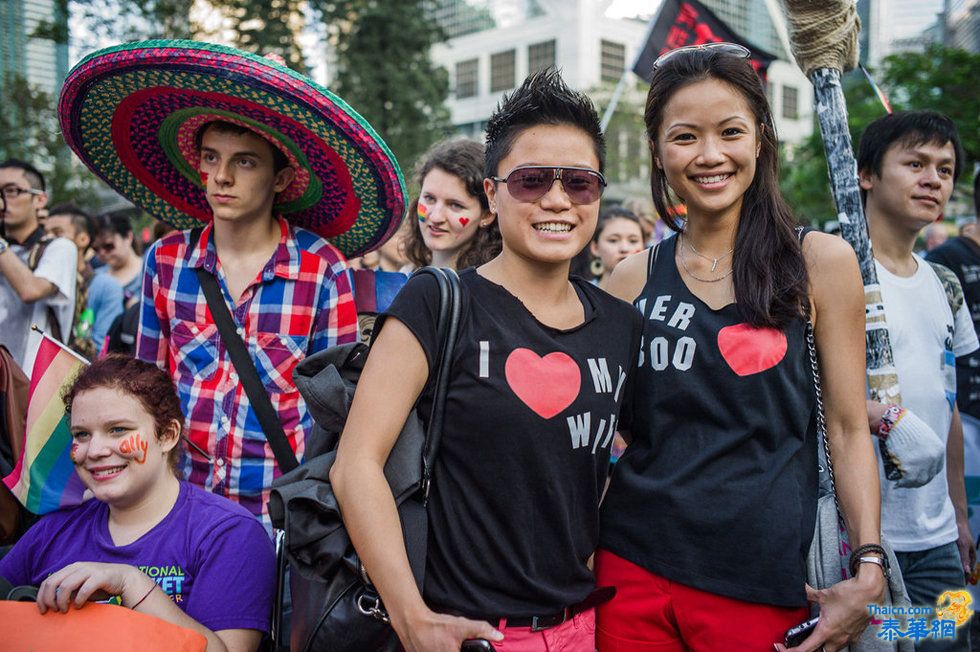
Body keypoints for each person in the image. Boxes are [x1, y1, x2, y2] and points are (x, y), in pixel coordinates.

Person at [331, 68, 642, 652]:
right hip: (465, 634)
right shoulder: (438, 299)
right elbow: (356, 466)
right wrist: (411, 617)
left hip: (583, 628)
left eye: (579, 181)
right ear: (493, 197)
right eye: (530, 181)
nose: (557, 199)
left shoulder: (621, 324)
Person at [596, 43, 885, 651]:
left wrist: (870, 565)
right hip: (629, 570)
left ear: (760, 138)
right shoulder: (628, 278)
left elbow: (848, 427)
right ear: (657, 149)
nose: (709, 155)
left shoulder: (820, 264)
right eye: (684, 137)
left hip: (763, 580)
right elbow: (601, 431)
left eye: (729, 131)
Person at [57, 42, 408, 530]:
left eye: (245, 162)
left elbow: (338, 412)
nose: (221, 176)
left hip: (278, 509)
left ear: (281, 176)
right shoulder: (168, 260)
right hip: (179, 503)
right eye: (211, 157)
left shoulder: (321, 269)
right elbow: (143, 387)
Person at [0, 355, 275, 651]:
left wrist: (132, 583)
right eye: (82, 434)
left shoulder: (229, 535)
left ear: (167, 435)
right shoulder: (52, 530)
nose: (94, 450)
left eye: (118, 429)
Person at [858, 111, 977, 651]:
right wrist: (879, 416)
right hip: (856, 540)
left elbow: (946, 406)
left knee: (942, 641)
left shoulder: (945, 283)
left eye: (945, 169)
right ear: (866, 174)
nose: (934, 179)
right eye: (915, 163)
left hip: (937, 544)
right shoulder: (827, 269)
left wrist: (958, 518)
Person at [0, 159, 77, 373]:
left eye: (11, 191)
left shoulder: (60, 248)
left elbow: (31, 290)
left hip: (33, 387)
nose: (2, 200)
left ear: (40, 200)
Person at [404, 138, 502, 270]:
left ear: (487, 215)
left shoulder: (488, 287)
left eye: (455, 205)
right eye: (429, 198)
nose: (435, 217)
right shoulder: (403, 277)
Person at [45, 204, 124, 357]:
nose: (48, 240)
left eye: (57, 233)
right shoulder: (41, 284)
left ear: (83, 239)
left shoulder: (106, 287)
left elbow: (103, 350)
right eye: (46, 233)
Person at [92, 212, 143, 309]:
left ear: (128, 237)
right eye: (96, 249)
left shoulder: (151, 271)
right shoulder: (96, 278)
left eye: (108, 246)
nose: (102, 253)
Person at [589, 207, 644, 289]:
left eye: (633, 241)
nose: (624, 249)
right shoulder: (578, 296)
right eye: (613, 240)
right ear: (595, 248)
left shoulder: (654, 297)